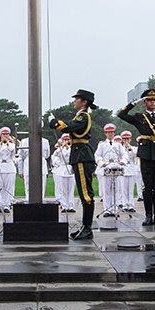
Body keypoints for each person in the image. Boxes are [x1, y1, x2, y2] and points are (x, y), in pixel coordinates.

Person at [116, 88, 155, 226]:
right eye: (149, 100)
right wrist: (134, 103)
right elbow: (121, 114)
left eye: (154, 100)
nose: (152, 102)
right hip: (146, 154)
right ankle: (148, 216)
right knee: (147, 187)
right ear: (144, 102)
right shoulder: (140, 117)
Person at [48, 88, 98, 240]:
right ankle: (85, 227)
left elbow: (69, 127)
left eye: (77, 99)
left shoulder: (83, 116)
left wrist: (54, 122)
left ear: (84, 102)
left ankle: (88, 228)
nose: (74, 101)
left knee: (86, 194)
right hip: (79, 155)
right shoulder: (80, 115)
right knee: (84, 194)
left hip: (82, 156)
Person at [0, 127, 19, 213]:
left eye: (7, 134)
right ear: (1, 135)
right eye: (3, 134)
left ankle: (7, 204)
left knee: (9, 187)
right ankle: (0, 205)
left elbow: (14, 152)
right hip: (0, 166)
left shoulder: (11, 145)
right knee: (0, 186)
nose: (5, 136)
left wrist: (8, 143)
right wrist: (1, 143)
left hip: (9, 166)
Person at [51, 135, 76, 213]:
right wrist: (61, 147)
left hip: (71, 168)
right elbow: (54, 157)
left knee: (71, 189)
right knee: (63, 189)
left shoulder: (73, 149)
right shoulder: (59, 150)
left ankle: (71, 205)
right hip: (62, 168)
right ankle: (64, 205)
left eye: (68, 139)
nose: (66, 141)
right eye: (65, 139)